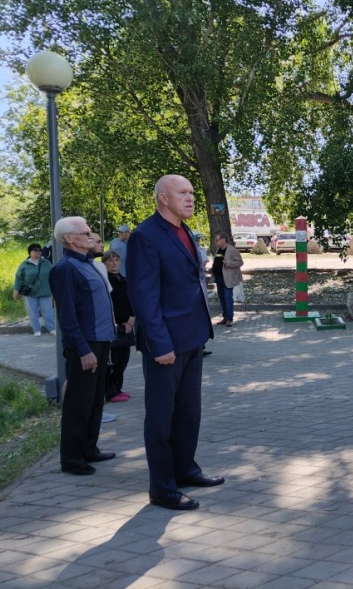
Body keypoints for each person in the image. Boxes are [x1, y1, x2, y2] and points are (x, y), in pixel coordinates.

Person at [127, 174, 220, 511]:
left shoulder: (186, 232)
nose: (191, 197)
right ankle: (162, 488)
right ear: (163, 198)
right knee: (161, 418)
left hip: (193, 337)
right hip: (166, 344)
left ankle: (186, 469)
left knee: (188, 413)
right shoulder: (146, 236)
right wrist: (159, 343)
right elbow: (143, 295)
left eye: (193, 192)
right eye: (183, 192)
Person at [48, 217, 117, 475]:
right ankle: (72, 458)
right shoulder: (65, 269)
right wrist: (84, 350)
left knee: (95, 400)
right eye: (85, 232)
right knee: (79, 402)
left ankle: (89, 448)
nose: (91, 235)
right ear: (69, 238)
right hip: (84, 346)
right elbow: (67, 316)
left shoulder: (88, 264)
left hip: (99, 342)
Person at [102, 250, 134, 403]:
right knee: (113, 359)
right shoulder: (106, 281)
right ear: (105, 263)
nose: (114, 263)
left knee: (123, 359)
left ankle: (118, 388)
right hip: (116, 323)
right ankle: (111, 391)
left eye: (116, 259)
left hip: (128, 323)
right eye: (110, 260)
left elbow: (130, 301)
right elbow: (111, 305)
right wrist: (126, 319)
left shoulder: (123, 279)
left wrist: (131, 318)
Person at [13, 243, 55, 337]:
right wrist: (16, 290)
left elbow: (53, 275)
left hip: (45, 291)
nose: (37, 253)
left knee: (48, 311)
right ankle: (36, 330)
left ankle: (52, 329)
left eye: (39, 251)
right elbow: (19, 278)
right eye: (35, 251)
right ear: (30, 252)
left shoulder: (46, 263)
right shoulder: (24, 265)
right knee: (32, 312)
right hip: (30, 293)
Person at [212, 232, 244, 327]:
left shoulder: (232, 250)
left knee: (227, 298)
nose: (216, 242)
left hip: (228, 278)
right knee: (221, 298)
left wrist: (228, 263)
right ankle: (225, 317)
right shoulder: (218, 249)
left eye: (217, 240)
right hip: (219, 278)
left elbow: (240, 262)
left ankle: (229, 319)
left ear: (223, 240)